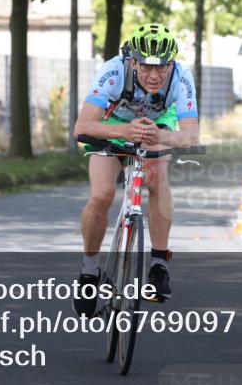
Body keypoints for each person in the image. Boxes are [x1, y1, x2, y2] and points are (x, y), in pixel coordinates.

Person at [71, 23, 199, 316]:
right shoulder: (113, 71)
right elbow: (82, 127)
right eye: (145, 67)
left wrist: (162, 136)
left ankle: (158, 264)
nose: (154, 76)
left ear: (171, 64)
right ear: (132, 61)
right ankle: (89, 272)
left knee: (157, 178)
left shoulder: (181, 78)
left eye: (161, 68)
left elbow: (191, 135)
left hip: (155, 127)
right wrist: (123, 131)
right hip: (113, 124)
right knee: (102, 195)